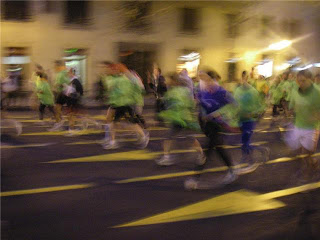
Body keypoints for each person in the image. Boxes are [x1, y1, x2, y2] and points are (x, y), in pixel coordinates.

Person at [184, 71, 238, 190]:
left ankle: (195, 179)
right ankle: (232, 170)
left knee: (206, 151)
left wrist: (218, 113)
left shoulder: (222, 92)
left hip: (217, 125)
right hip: (207, 125)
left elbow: (234, 104)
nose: (203, 82)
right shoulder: (203, 91)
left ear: (213, 80)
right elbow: (201, 106)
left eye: (206, 79)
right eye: (202, 80)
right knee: (219, 149)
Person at [155, 72, 204, 166]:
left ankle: (200, 155)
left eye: (169, 80)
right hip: (179, 119)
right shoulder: (175, 91)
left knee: (188, 139)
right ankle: (167, 157)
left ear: (174, 81)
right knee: (170, 138)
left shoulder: (180, 91)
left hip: (183, 119)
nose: (167, 82)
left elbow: (188, 104)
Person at [102, 63, 149, 149]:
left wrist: (115, 90)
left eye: (113, 69)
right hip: (117, 104)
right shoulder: (118, 78)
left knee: (131, 123)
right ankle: (112, 141)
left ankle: (143, 135)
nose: (111, 71)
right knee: (112, 122)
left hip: (125, 104)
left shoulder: (125, 79)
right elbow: (110, 89)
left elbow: (132, 90)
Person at [285, 70, 320, 182]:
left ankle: (307, 176)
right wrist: (290, 110)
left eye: (303, 81)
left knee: (305, 154)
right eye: (298, 81)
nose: (301, 83)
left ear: (310, 79)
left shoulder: (317, 92)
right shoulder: (296, 90)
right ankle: (314, 163)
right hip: (298, 125)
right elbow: (293, 104)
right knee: (299, 152)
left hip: (311, 128)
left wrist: (315, 117)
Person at [233, 71, 268, 173]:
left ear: (248, 79)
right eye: (242, 78)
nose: (243, 80)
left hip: (249, 120)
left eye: (245, 78)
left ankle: (248, 160)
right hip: (240, 119)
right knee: (244, 141)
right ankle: (261, 150)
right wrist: (234, 115)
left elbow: (259, 107)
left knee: (245, 140)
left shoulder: (253, 91)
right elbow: (235, 104)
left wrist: (252, 114)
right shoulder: (238, 90)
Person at [50, 60, 70, 131]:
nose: (54, 67)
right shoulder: (61, 73)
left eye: (55, 66)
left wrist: (59, 84)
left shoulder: (63, 73)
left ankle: (59, 124)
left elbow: (67, 83)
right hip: (61, 93)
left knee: (56, 109)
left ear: (59, 66)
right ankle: (60, 122)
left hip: (63, 93)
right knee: (58, 109)